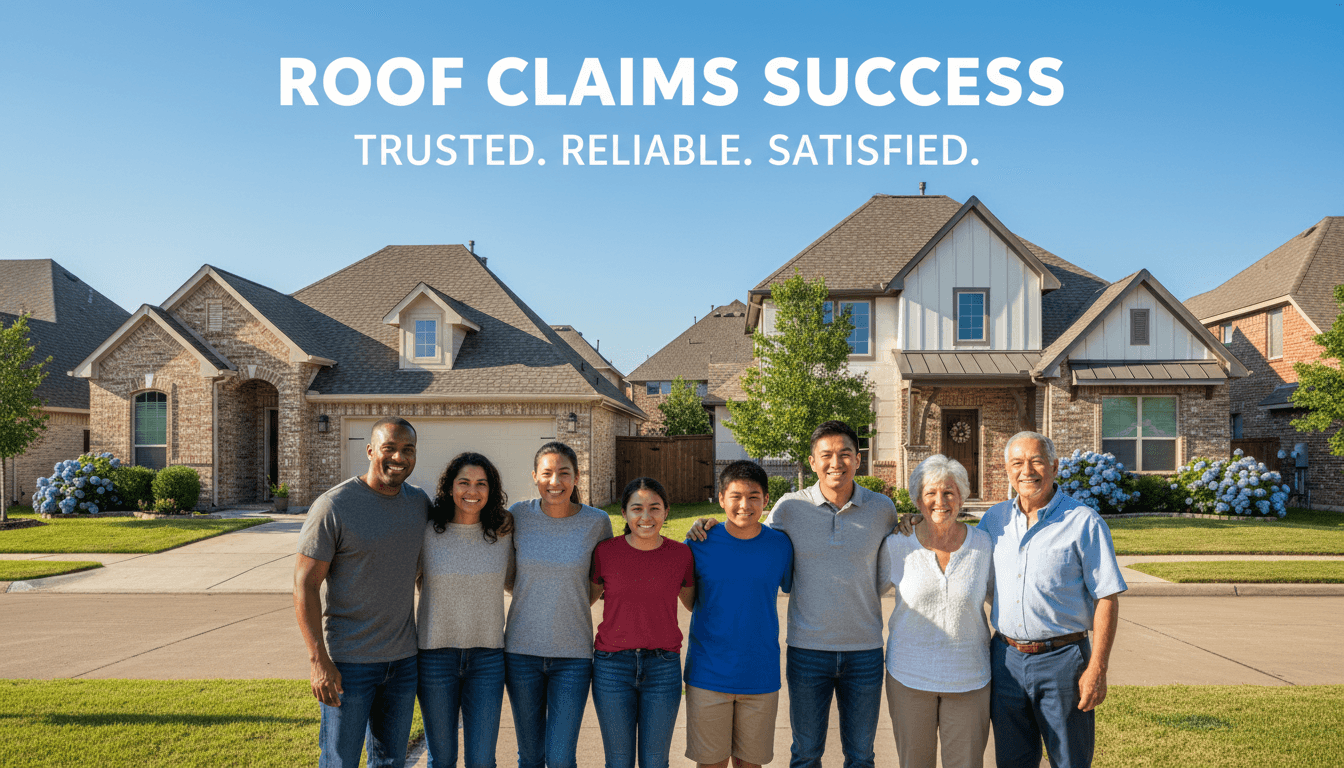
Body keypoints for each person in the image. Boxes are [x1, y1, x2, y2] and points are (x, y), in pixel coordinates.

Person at [691, 420, 897, 768]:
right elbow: (749, 532)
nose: (836, 463)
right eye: (826, 455)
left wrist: (912, 521)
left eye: (845, 454)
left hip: (864, 651)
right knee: (805, 754)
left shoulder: (883, 509)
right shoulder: (789, 508)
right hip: (807, 650)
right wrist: (710, 525)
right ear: (813, 461)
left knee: (862, 755)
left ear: (858, 459)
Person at [978, 432, 1126, 768]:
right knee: (1012, 761)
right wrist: (915, 524)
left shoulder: (1083, 521)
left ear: (1055, 466)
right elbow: (959, 551)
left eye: (1037, 461)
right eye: (1017, 463)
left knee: (1069, 761)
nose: (1027, 471)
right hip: (1005, 660)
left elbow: (1107, 597)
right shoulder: (994, 521)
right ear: (1006, 469)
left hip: (1063, 661)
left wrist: (1098, 667)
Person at [294, 416, 429, 768]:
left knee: (391, 761)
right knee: (340, 761)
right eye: (389, 448)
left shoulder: (419, 504)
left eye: (408, 449)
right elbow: (305, 585)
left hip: (403, 662)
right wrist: (318, 661)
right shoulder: (334, 506)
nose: (398, 457)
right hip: (348, 664)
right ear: (370, 451)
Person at [879, 455, 993, 768]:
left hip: (969, 678)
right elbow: (866, 592)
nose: (940, 501)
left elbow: (1002, 600)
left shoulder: (983, 545)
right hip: (908, 677)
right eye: (930, 493)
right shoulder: (897, 544)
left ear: (962, 497)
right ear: (918, 500)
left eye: (949, 492)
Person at [505, 441, 614, 768]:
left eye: (564, 473)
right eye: (547, 473)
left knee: (561, 757)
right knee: (530, 756)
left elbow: (597, 583)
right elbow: (510, 577)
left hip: (573, 656)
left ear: (577, 477)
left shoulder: (597, 522)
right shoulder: (518, 515)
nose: (555, 481)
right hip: (521, 653)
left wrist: (570, 598)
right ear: (534, 477)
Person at [683, 460, 793, 768]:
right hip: (708, 674)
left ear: (766, 500)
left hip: (760, 674)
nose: (745, 505)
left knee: (751, 765)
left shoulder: (780, 545)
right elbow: (690, 602)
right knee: (711, 764)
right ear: (721, 499)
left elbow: (793, 585)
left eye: (753, 497)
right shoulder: (698, 543)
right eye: (736, 496)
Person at [417, 452, 516, 768]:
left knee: (482, 760)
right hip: (435, 657)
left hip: (487, 658)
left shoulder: (503, 533)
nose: (472, 491)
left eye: (481, 484)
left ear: (491, 489)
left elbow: (516, 583)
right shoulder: (427, 532)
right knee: (442, 759)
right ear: (449, 487)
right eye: (464, 482)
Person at [590, 477, 696, 768]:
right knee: (618, 761)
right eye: (637, 508)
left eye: (655, 508)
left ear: (666, 511)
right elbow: (584, 599)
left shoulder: (681, 554)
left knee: (655, 761)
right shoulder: (605, 552)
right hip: (612, 667)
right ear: (624, 513)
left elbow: (692, 603)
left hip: (663, 666)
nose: (646, 516)